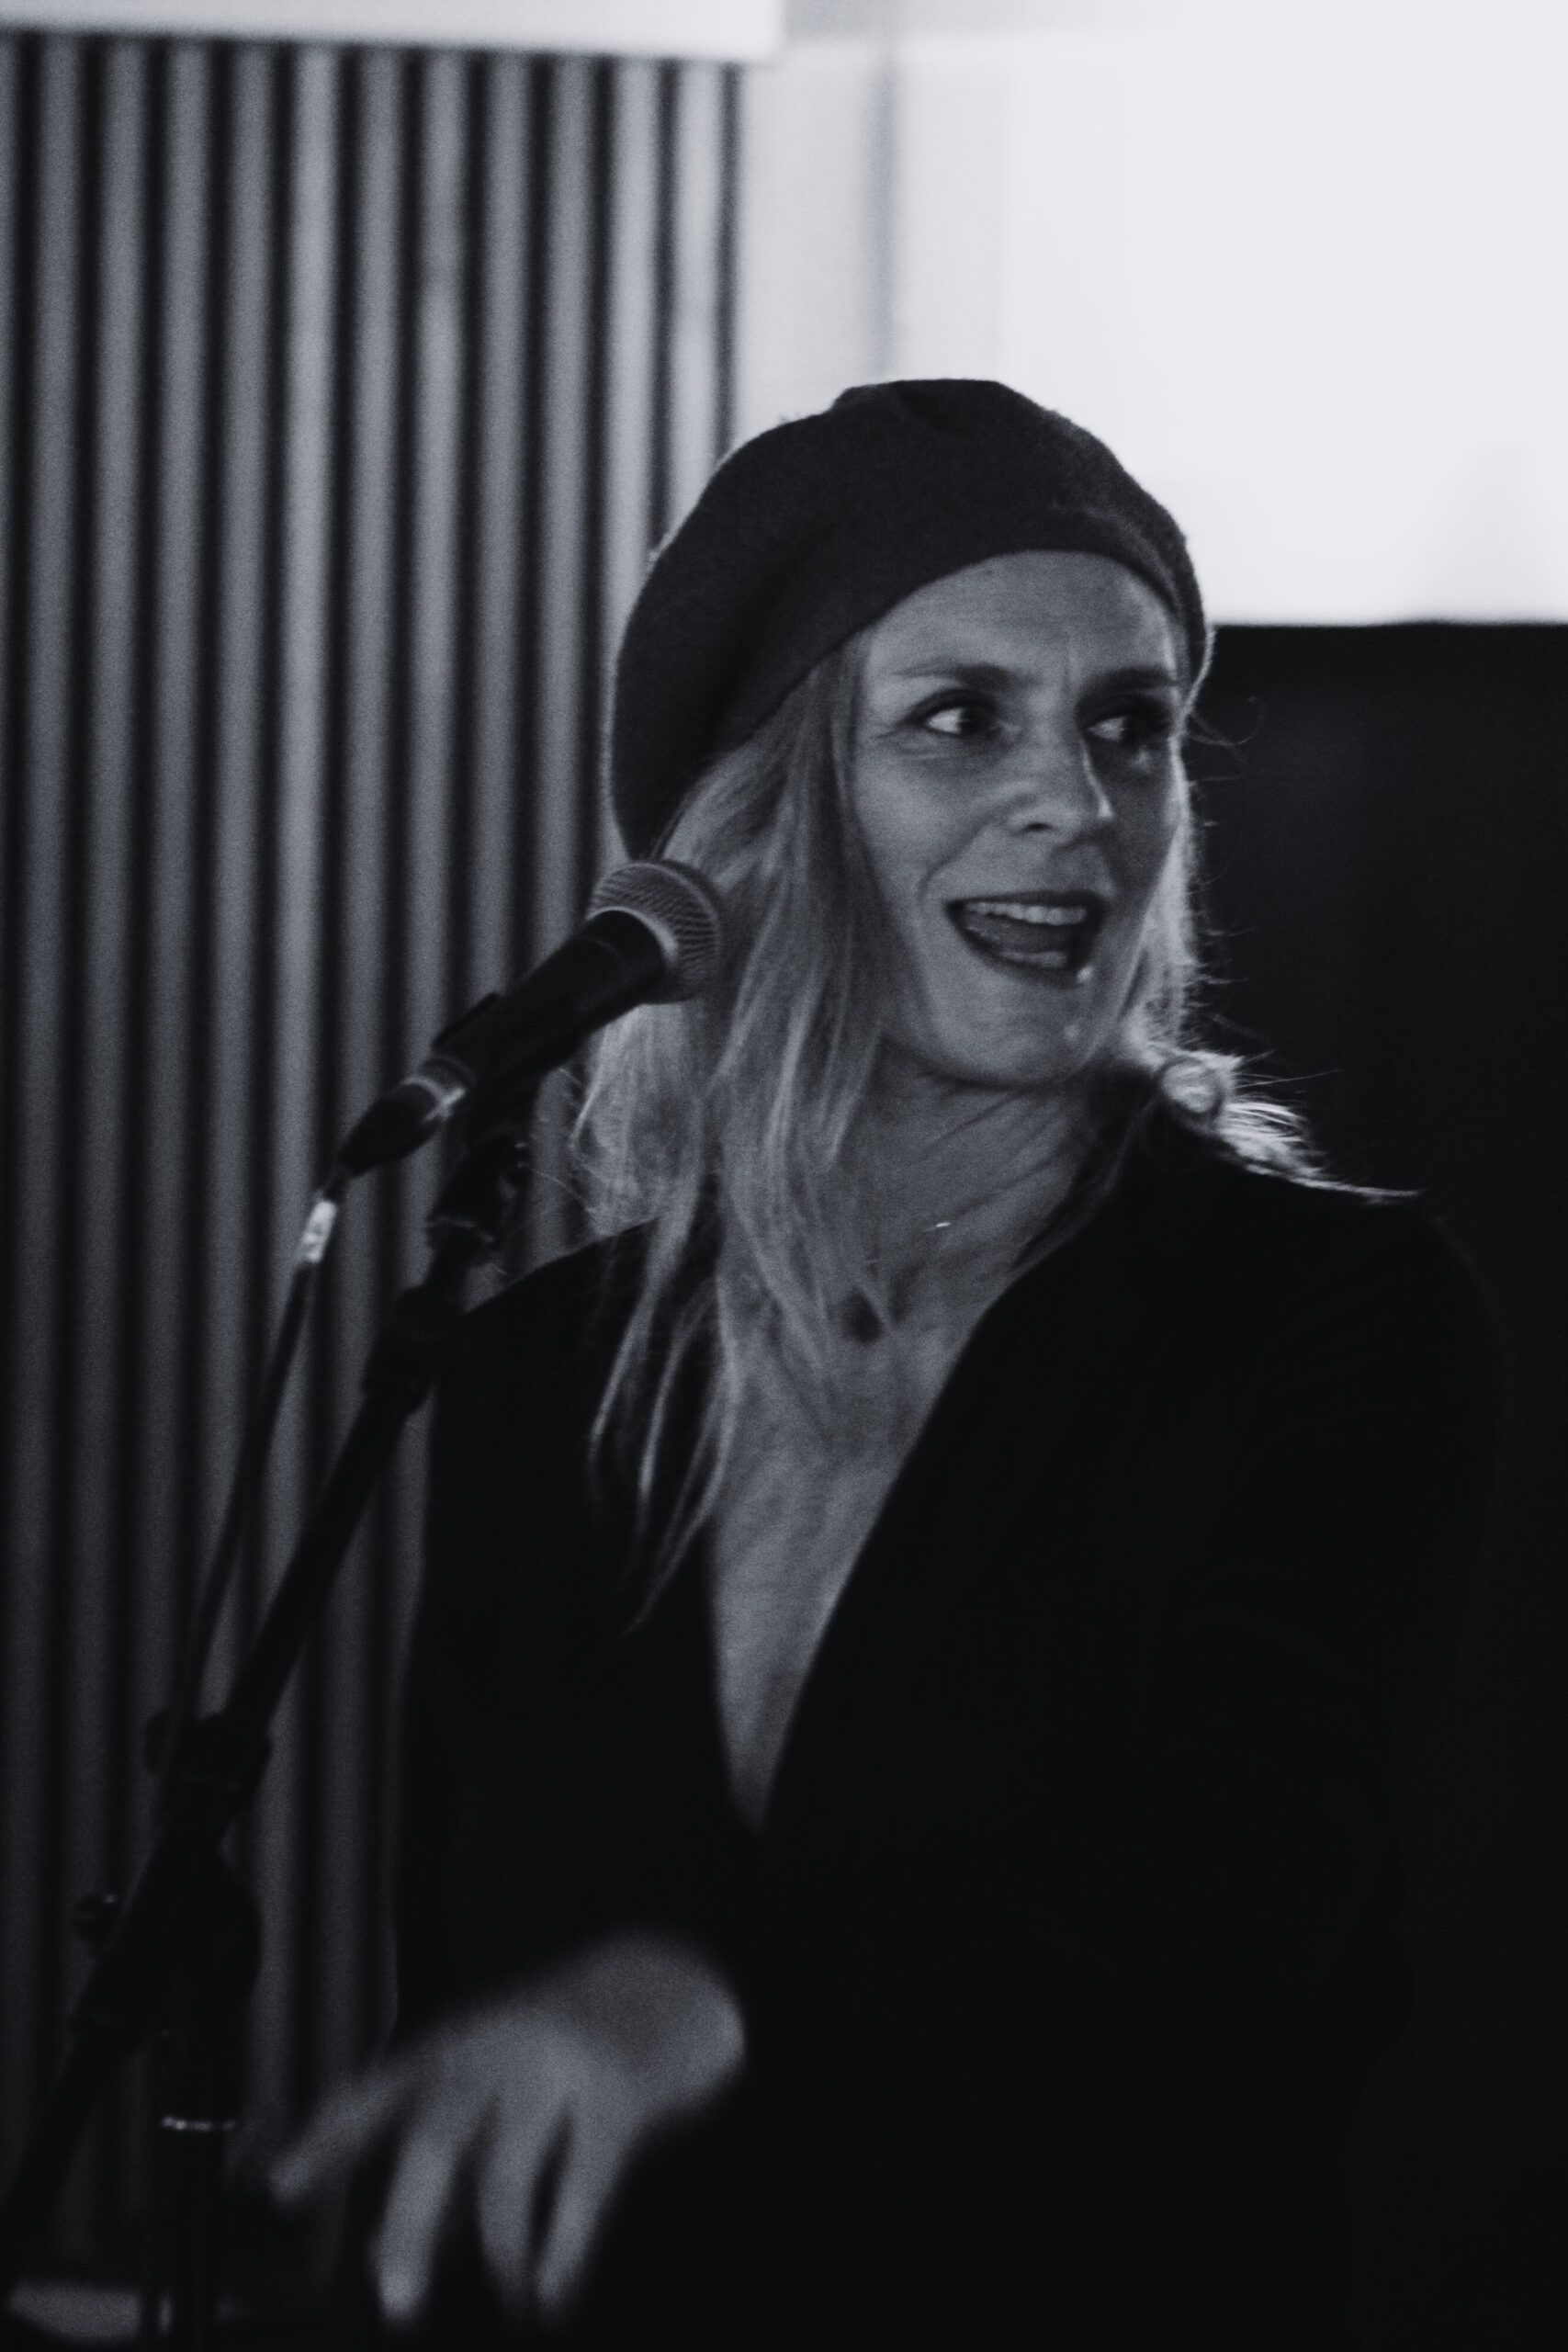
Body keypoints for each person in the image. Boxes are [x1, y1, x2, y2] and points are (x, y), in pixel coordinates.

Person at [271, 382, 1497, 2349]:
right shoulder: (545, 1381)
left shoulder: (1317, 1323)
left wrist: (710, 2003)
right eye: (960, 718)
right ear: (763, 823)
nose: (1075, 800)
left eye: (1128, 725)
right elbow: (469, 2057)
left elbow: (1244, 1958)